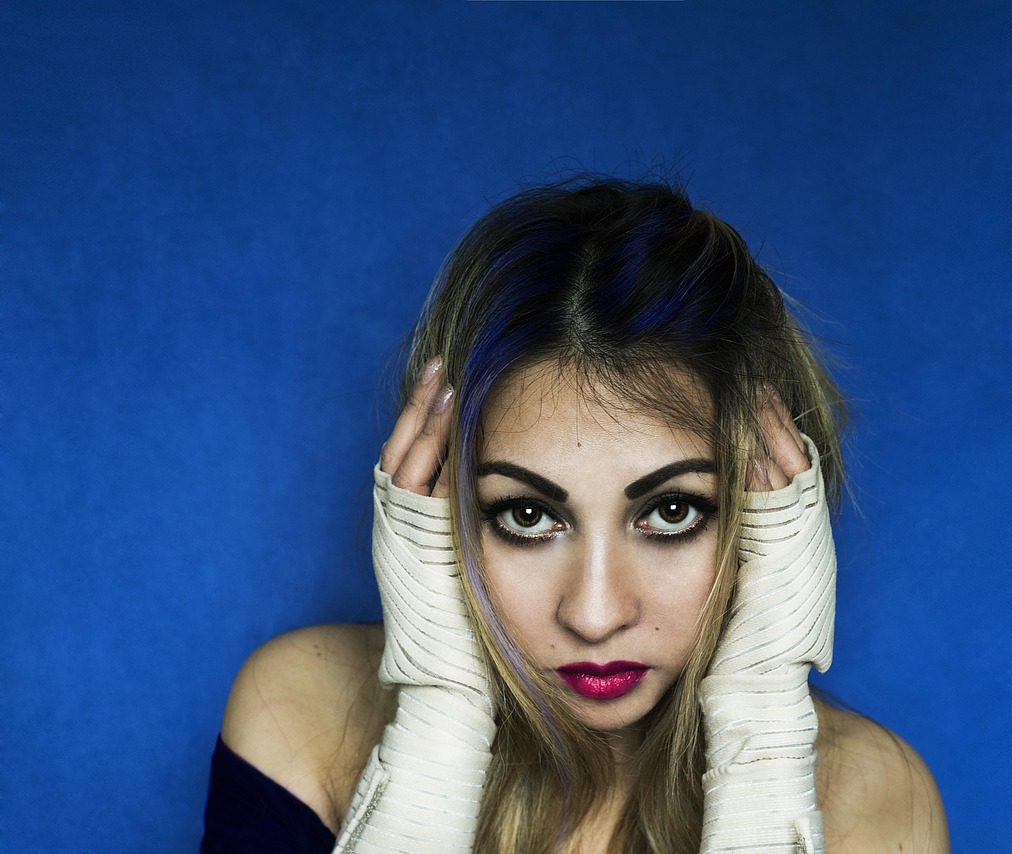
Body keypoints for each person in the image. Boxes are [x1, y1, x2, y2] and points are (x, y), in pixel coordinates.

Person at [202, 177, 949, 853]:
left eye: (673, 511)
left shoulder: (875, 802)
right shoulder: (301, 710)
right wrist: (437, 726)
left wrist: (762, 735)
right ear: (437, 508)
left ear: (768, 521)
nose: (595, 615)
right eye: (527, 515)